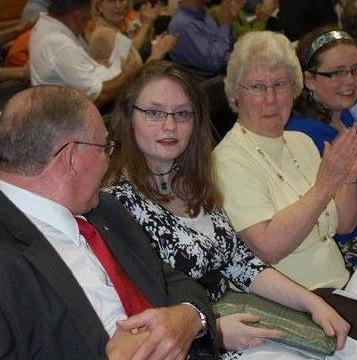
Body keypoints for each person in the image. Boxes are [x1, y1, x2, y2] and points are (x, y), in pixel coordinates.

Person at [104, 60, 350, 357]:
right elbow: (134, 307)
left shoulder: (192, 180)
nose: (170, 125)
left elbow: (242, 262)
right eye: (154, 113)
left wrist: (312, 303)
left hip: (237, 318)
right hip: (193, 346)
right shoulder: (114, 203)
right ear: (130, 117)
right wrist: (213, 330)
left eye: (182, 113)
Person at [0, 85, 218, 360]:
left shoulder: (105, 210)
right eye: (105, 147)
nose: (108, 161)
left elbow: (172, 281)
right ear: (72, 158)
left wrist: (188, 317)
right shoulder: (8, 258)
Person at [213, 31, 357, 336]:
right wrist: (325, 186)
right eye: (257, 87)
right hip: (294, 307)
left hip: (339, 286)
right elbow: (269, 247)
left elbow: (344, 225)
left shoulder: (301, 142)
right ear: (235, 96)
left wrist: (350, 176)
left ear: (294, 89)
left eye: (280, 85)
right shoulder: (228, 159)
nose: (270, 99)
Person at [285, 27, 357, 271]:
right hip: (341, 251)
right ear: (309, 80)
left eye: (356, 70)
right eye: (337, 73)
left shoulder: (342, 115)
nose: (350, 81)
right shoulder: (306, 135)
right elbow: (339, 225)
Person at [29, 0, 139, 108]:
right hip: (92, 111)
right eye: (88, 18)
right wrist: (126, 74)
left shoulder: (45, 25)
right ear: (77, 17)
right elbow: (100, 97)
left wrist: (94, 64)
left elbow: (66, 65)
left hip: (99, 84)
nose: (88, 22)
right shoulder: (60, 44)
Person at [88, 0, 177, 66]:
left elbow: (141, 46)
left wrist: (148, 26)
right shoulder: (102, 32)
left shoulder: (121, 22)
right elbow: (132, 60)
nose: (118, 5)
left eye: (122, 0)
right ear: (99, 6)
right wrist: (146, 24)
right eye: (112, 1)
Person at [167, 0, 237, 81]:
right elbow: (213, 63)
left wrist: (228, 24)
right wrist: (225, 25)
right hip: (207, 86)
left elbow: (225, 46)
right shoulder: (182, 24)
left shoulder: (203, 12)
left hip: (224, 74)